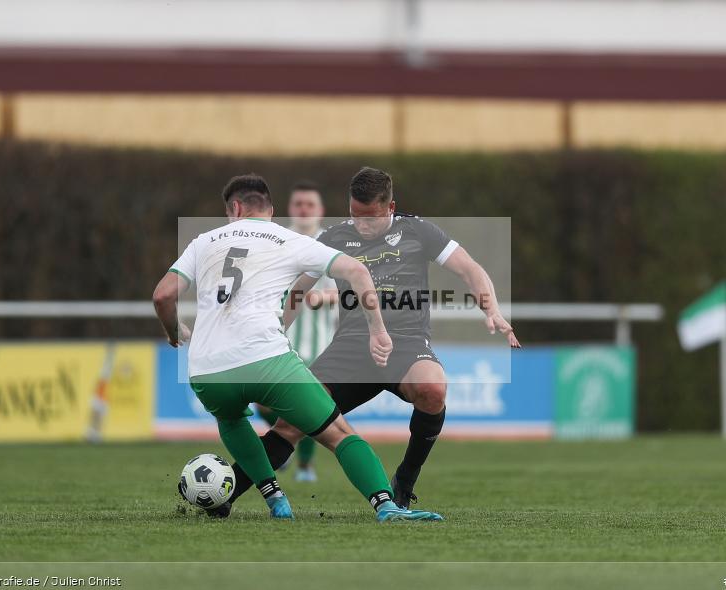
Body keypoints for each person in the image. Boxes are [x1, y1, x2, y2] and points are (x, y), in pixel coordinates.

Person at [218, 166, 520, 515]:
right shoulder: (334, 237)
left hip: (406, 342)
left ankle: (405, 481)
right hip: (350, 346)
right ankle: (224, 494)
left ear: (390, 208)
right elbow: (298, 291)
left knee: (434, 389)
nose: (361, 226)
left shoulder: (418, 230)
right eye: (354, 216)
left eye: (370, 219)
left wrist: (491, 309)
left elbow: (471, 269)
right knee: (292, 422)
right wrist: (274, 331)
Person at [152, 173, 442, 522]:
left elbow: (163, 295)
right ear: (271, 211)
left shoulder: (203, 241)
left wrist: (174, 332)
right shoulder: (288, 239)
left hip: (206, 368)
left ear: (235, 208)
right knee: (337, 434)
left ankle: (274, 498)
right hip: (266, 359)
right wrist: (377, 329)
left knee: (233, 421)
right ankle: (386, 504)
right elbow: (356, 272)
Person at [255, 181, 337, 483]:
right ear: (290, 209)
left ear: (320, 211)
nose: (304, 209)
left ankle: (304, 466)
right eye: (298, 204)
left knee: (308, 407)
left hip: (319, 343)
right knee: (261, 402)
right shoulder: (276, 241)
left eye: (309, 204)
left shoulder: (330, 246)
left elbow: (353, 292)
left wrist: (323, 297)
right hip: (276, 337)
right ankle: (283, 448)